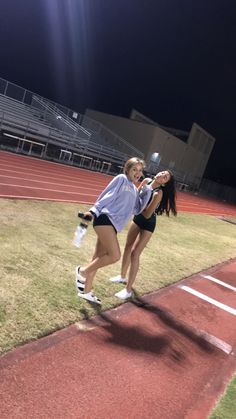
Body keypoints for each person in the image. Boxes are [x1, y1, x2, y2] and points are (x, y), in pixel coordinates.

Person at [75, 157, 162, 304]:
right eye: (134, 169)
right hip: (105, 219)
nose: (138, 173)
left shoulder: (135, 189)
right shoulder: (121, 179)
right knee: (115, 255)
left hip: (113, 226)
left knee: (98, 257)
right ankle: (81, 272)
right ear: (127, 169)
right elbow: (106, 195)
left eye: (140, 170)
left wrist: (146, 190)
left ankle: (87, 291)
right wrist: (93, 211)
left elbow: (137, 209)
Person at [109, 170, 177, 300]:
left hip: (148, 223)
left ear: (164, 183)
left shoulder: (159, 193)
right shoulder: (146, 181)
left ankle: (128, 290)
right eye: (163, 173)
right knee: (128, 247)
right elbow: (134, 197)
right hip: (138, 218)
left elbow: (147, 214)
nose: (162, 175)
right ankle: (122, 276)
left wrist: (144, 197)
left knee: (135, 253)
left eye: (165, 177)